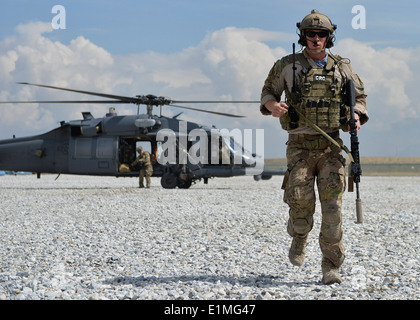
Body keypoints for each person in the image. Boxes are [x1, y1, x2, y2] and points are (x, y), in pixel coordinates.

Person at [260, 9, 368, 284]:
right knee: (300, 203)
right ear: (303, 35)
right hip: (299, 146)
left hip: (331, 145)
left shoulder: (342, 66)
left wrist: (355, 116)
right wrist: (273, 106)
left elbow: (360, 98)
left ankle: (330, 265)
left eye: (321, 34)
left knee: (332, 209)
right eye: (310, 34)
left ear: (329, 37)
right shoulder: (286, 65)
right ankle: (299, 235)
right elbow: (267, 92)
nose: (316, 38)